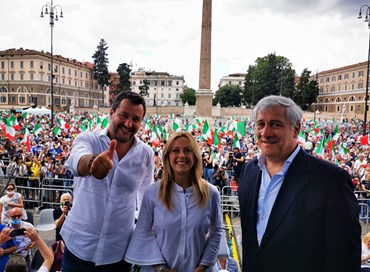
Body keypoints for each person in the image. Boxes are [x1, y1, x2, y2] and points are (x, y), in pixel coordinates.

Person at [238, 95, 361, 272]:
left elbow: (345, 256)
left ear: (296, 129)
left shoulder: (331, 179)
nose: (265, 133)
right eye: (260, 124)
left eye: (275, 124)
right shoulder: (250, 171)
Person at [62, 91, 154, 272]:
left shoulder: (146, 154)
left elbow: (146, 200)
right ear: (111, 113)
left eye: (135, 119)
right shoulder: (88, 139)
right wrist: (92, 163)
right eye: (124, 115)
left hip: (118, 253)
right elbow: (76, 161)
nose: (128, 124)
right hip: (79, 247)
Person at [125, 132, 222, 272]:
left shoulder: (211, 193)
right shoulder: (152, 193)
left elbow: (216, 232)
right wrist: (160, 268)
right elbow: (143, 231)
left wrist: (203, 266)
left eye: (187, 150)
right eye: (175, 150)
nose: (181, 156)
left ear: (195, 156)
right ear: (167, 157)